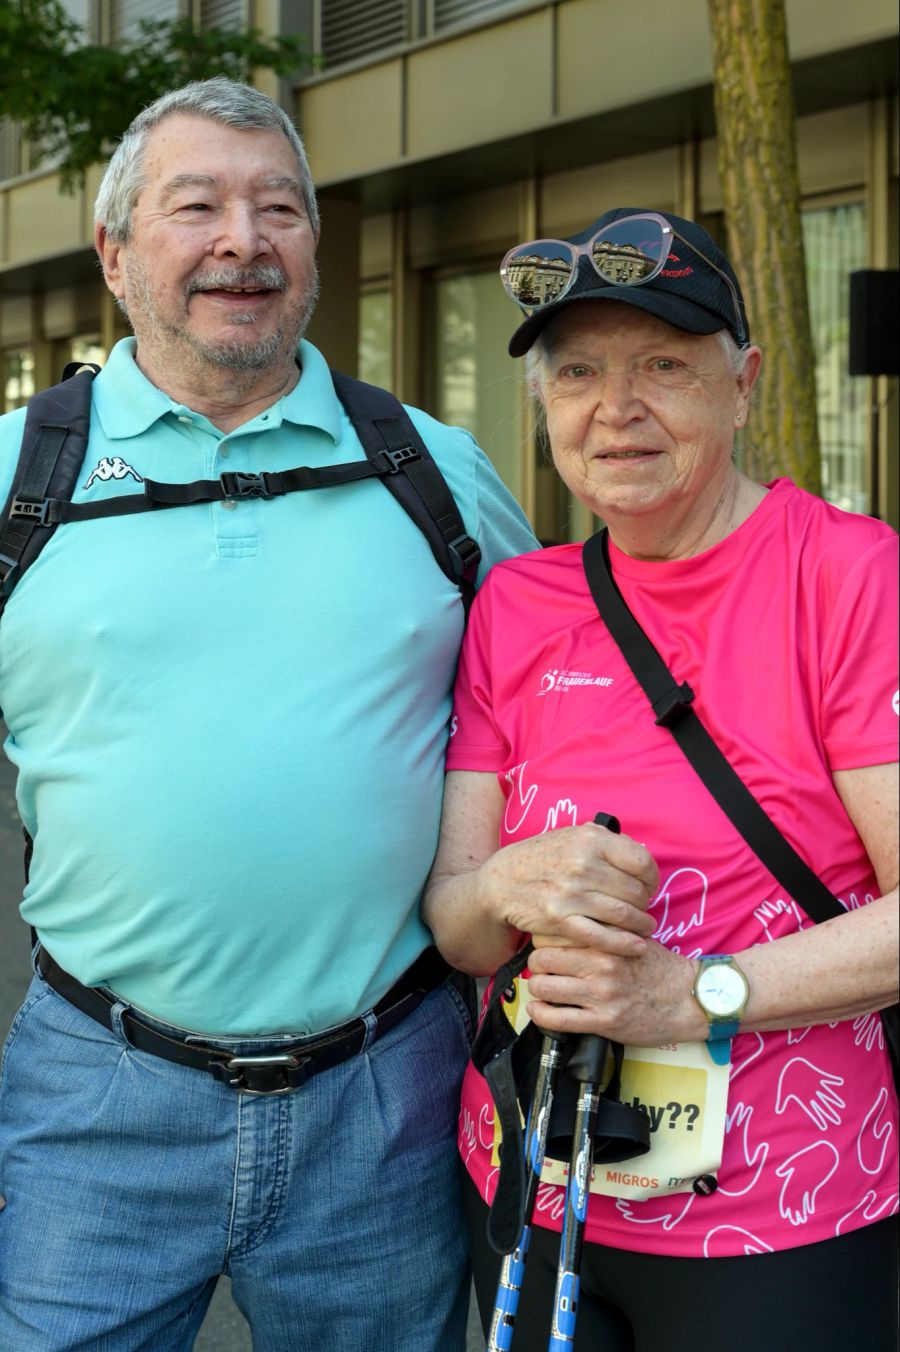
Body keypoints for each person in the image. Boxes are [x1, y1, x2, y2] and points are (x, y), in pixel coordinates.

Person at [0, 78, 538, 1351]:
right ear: (117, 254)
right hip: (97, 1093)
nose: (244, 238)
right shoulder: (24, 475)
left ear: (312, 250)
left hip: (387, 1090)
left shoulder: (432, 469)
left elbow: (558, 702)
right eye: (199, 206)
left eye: (279, 208)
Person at [423, 207, 899, 1351]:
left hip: (781, 1214)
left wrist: (692, 992)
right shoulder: (519, 603)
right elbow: (457, 920)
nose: (615, 405)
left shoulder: (847, 575)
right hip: (529, 1188)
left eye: (664, 366)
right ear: (544, 409)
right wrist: (508, 886)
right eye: (578, 369)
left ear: (745, 381)